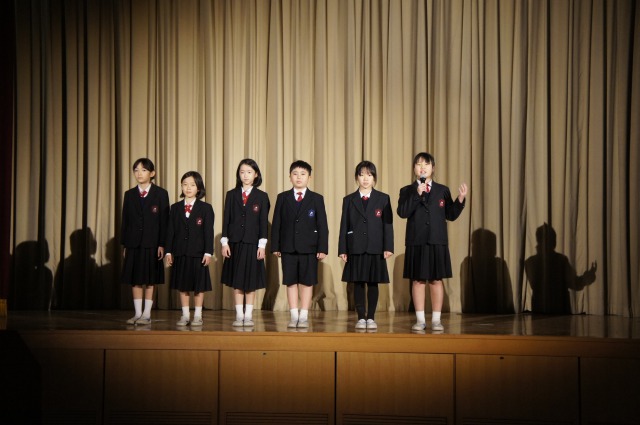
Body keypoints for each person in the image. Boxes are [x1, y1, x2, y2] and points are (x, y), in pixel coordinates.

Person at [397, 152, 467, 332]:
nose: (422, 168)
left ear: (433, 168)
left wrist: (460, 200)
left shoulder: (442, 190)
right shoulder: (407, 190)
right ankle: (420, 320)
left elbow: (450, 214)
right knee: (418, 281)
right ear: (414, 169)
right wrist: (416, 194)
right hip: (416, 240)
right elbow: (402, 212)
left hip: (437, 240)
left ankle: (436, 320)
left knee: (436, 280)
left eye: (426, 164)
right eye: (419, 164)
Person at [271, 160, 329, 328]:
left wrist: (322, 248)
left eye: (303, 174)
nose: (299, 177)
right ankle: (293, 315)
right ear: (290, 177)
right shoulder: (282, 197)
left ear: (309, 177)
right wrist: (276, 246)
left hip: (309, 248)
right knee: (290, 281)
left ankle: (303, 315)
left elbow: (322, 225)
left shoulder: (316, 199)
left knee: (307, 282)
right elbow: (277, 223)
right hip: (288, 247)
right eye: (295, 174)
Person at [338, 161, 394, 330]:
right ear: (357, 177)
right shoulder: (349, 200)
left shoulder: (383, 198)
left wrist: (388, 247)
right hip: (355, 247)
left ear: (374, 178)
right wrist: (343, 249)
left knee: (373, 283)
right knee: (358, 282)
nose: (365, 178)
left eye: (369, 175)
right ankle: (361, 317)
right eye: (362, 175)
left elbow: (388, 225)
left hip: (375, 247)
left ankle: (371, 317)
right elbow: (344, 225)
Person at [220, 159, 270, 327]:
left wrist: (262, 245)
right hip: (235, 243)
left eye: (249, 172)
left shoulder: (262, 196)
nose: (245, 175)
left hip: (252, 243)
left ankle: (248, 315)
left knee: (250, 281)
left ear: (256, 175)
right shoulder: (231, 194)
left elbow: (263, 223)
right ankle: (239, 315)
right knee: (237, 280)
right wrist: (224, 242)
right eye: (242, 172)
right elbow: (226, 220)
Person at [120, 158, 170, 325]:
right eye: (136, 170)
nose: (139, 173)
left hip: (152, 243)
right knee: (135, 279)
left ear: (152, 173)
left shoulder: (161, 194)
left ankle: (147, 314)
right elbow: (125, 221)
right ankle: (137, 313)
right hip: (133, 243)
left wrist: (162, 244)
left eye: (143, 170)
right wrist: (125, 244)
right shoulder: (129, 195)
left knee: (150, 279)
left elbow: (164, 222)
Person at [165, 171, 215, 327]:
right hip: (180, 252)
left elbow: (208, 232)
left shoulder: (206, 208)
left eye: (192, 185)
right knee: (183, 285)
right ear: (181, 186)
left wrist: (208, 252)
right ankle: (185, 315)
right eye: (185, 184)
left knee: (199, 286)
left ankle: (198, 315)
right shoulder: (175, 208)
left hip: (198, 253)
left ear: (198, 188)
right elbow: (170, 231)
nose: (188, 188)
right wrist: (168, 251)